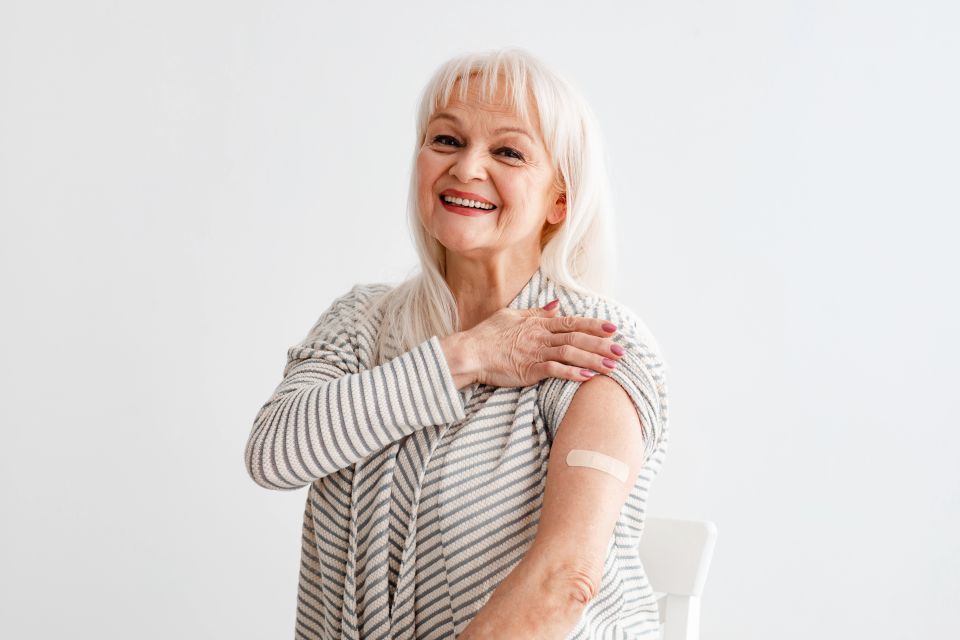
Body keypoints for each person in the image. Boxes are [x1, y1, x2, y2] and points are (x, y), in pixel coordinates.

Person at [244, 46, 670, 639]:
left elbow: (564, 580)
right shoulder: (361, 322)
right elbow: (273, 455)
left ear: (560, 198)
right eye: (446, 140)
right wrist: (467, 356)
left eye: (508, 152)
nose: (467, 168)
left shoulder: (590, 344)